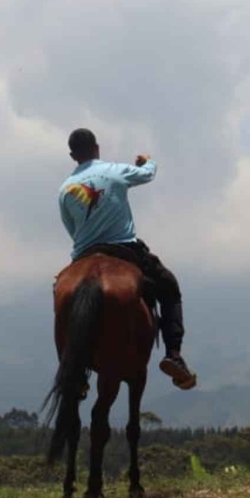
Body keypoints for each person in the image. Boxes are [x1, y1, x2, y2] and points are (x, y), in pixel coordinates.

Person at [57, 127, 196, 390]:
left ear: (72, 156)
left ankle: (72, 368)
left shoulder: (64, 190)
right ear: (97, 148)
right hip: (124, 248)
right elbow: (148, 174)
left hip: (84, 252)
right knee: (169, 287)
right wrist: (148, 161)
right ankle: (174, 355)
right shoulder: (114, 170)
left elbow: (72, 230)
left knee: (62, 298)